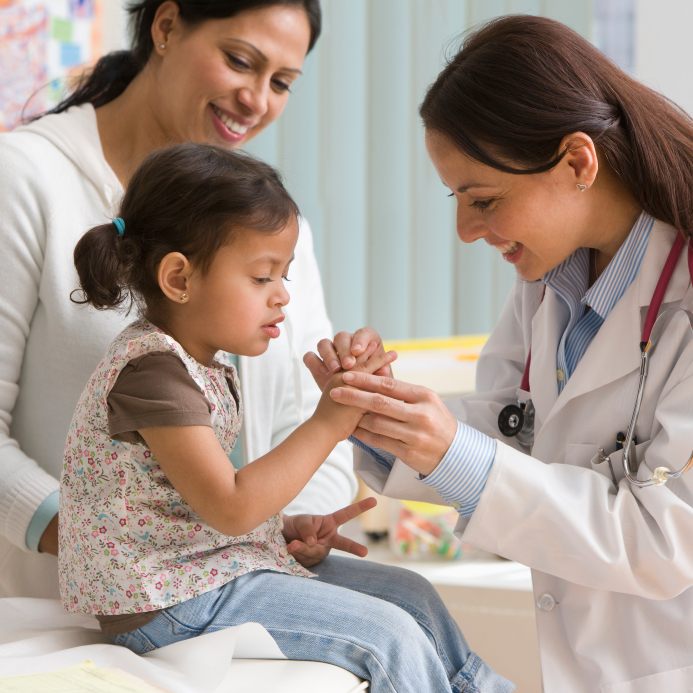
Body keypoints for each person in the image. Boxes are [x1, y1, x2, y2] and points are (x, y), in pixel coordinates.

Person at [306, 15, 693, 693]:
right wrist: (382, 418)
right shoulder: (549, 280)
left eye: (483, 199)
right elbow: (512, 427)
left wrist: (447, 449)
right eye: (455, 198)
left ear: (577, 161)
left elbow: (663, 536)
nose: (463, 230)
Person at [60, 142, 513, 693]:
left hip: (202, 571)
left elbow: (186, 505)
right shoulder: (151, 373)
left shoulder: (196, 363)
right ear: (178, 278)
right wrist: (331, 420)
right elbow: (229, 507)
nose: (282, 299)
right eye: (261, 278)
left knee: (411, 594)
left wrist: (279, 530)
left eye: (285, 277)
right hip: (163, 600)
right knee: (388, 634)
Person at [0, 0, 373, 599]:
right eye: (239, 61)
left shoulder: (267, 223)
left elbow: (304, 415)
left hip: (245, 602)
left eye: (280, 82)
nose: (256, 99)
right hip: (74, 621)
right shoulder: (22, 179)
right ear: (167, 26)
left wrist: (292, 527)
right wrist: (108, 553)